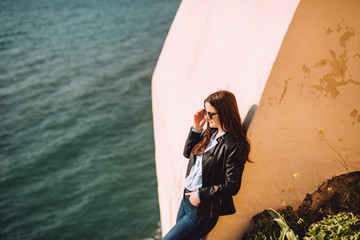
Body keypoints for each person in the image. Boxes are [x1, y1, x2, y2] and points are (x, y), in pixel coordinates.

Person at [162, 90, 250, 240]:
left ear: (224, 113)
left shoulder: (235, 145)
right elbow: (187, 153)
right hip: (186, 200)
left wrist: (200, 195)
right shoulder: (210, 133)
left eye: (211, 114)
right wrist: (196, 129)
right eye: (206, 112)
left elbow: (232, 186)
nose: (207, 117)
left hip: (201, 210)